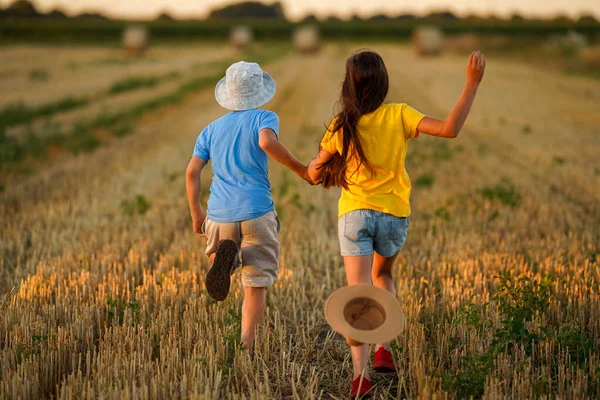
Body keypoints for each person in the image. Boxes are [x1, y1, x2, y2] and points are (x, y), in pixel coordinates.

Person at [308, 49, 486, 398]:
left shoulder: (341, 125)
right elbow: (450, 129)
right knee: (383, 276)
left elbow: (314, 172)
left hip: (355, 214)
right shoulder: (400, 114)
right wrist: (471, 83)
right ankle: (383, 347)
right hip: (393, 214)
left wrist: (318, 163)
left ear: (349, 86)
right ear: (384, 84)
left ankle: (361, 378)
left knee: (357, 293)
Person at [186, 61, 309, 353]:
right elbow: (266, 141)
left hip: (219, 215)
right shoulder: (264, 117)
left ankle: (225, 259)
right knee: (255, 283)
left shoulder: (212, 129)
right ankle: (247, 345)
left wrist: (197, 214)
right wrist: (301, 169)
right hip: (256, 211)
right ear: (259, 92)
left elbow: (192, 172)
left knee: (226, 252)